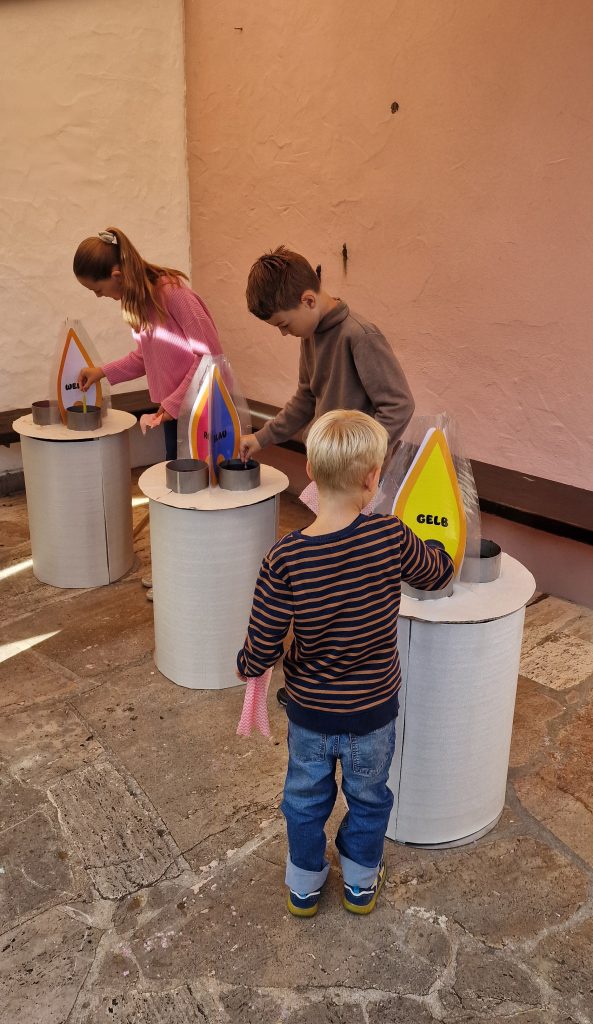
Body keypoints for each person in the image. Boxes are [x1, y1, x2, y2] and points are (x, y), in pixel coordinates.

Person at [236, 410, 454, 918]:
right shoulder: (391, 536)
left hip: (310, 714)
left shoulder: (285, 557)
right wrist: (438, 546)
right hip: (372, 713)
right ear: (373, 478)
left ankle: (304, 883)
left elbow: (263, 642)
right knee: (370, 797)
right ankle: (359, 880)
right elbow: (435, 574)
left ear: (311, 470)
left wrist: (247, 663)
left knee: (304, 800)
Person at [240, 245, 416, 707]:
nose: (284, 334)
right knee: (327, 570)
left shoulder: (361, 336)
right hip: (329, 475)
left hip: (358, 480)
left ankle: (351, 677)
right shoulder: (311, 335)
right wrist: (261, 437)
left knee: (355, 576)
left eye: (283, 324)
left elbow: (399, 406)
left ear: (308, 300)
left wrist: (359, 456)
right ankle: (323, 670)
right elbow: (305, 398)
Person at [73, 227, 223, 598]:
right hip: (176, 414)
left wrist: (171, 405)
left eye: (98, 290)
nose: (101, 297)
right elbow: (143, 358)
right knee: (179, 494)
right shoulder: (140, 303)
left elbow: (210, 355)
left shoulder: (174, 295)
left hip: (203, 415)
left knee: (198, 497)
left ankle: (191, 578)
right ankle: (178, 570)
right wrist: (102, 371)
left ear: (116, 275)